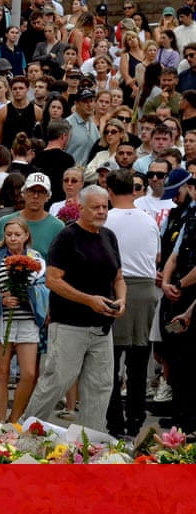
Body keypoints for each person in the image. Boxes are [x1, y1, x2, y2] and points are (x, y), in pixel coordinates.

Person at [23, 185, 126, 430]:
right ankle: (23, 434)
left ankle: (89, 445)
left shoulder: (109, 236)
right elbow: (52, 280)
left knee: (100, 387)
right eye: (96, 207)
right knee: (56, 382)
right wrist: (89, 299)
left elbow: (118, 277)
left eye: (105, 207)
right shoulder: (67, 237)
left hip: (102, 329)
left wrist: (122, 300)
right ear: (80, 208)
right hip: (70, 325)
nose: (102, 211)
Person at [104, 169, 159, 440]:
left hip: (118, 287)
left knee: (111, 360)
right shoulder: (148, 220)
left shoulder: (107, 220)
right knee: (139, 359)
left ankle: (115, 420)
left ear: (110, 192)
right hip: (146, 289)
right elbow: (157, 254)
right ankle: (135, 417)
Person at [0, 217, 48, 423]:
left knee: (28, 373)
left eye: (17, 235)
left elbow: (45, 287)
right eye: (9, 235)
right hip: (2, 320)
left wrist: (29, 294)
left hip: (27, 320)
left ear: (26, 236)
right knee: (2, 372)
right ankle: (0, 421)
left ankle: (15, 418)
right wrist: (0, 300)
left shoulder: (37, 259)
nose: (13, 239)